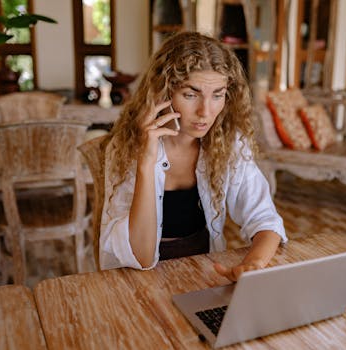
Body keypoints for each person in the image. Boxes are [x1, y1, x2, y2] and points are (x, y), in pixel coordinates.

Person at [99, 31, 287, 281]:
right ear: (163, 92)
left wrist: (253, 264)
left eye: (218, 95)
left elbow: (265, 219)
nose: (205, 112)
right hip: (135, 279)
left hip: (203, 272)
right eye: (190, 94)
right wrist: (146, 161)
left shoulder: (227, 141)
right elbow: (141, 257)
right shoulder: (126, 146)